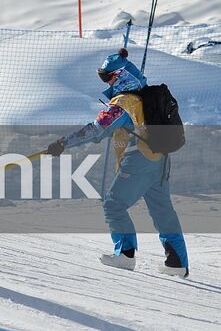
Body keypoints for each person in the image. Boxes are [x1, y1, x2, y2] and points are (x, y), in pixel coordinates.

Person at [46, 48, 189, 276]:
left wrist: (64, 142)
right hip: (160, 159)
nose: (105, 81)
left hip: (138, 158)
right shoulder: (145, 96)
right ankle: (177, 262)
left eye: (107, 76)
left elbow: (96, 130)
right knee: (163, 210)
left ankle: (125, 255)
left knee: (114, 204)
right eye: (102, 76)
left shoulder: (124, 102)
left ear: (122, 75)